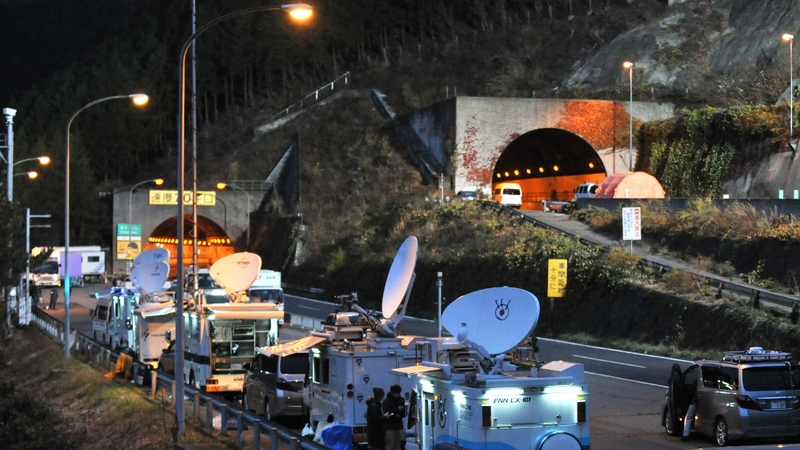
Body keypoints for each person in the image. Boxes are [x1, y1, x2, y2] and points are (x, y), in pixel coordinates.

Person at [382, 384, 406, 450]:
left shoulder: (401, 400)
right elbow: (387, 413)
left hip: (398, 426)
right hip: (390, 427)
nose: (398, 394)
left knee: (397, 446)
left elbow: (403, 414)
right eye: (396, 393)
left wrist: (403, 409)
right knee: (390, 446)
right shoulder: (386, 402)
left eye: (399, 393)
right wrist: (397, 410)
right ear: (392, 393)